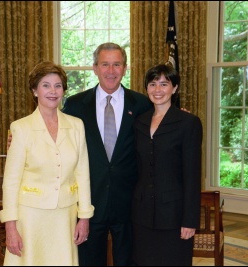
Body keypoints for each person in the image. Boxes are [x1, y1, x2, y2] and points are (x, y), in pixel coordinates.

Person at [62, 42, 152, 266]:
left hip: (129, 202)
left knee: (129, 261)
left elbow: (160, 135)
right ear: (94, 68)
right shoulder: (75, 105)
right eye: (105, 64)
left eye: (116, 64)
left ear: (125, 68)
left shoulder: (142, 104)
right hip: (88, 202)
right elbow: (57, 137)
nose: (111, 71)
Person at [0, 61, 94, 266]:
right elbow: (11, 182)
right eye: (46, 85)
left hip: (65, 217)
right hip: (30, 218)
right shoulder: (20, 128)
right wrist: (11, 227)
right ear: (34, 91)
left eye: (58, 85)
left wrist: (84, 217)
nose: (53, 91)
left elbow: (83, 174)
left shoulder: (76, 126)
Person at [131, 63, 202, 266]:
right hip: (141, 213)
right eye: (153, 84)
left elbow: (192, 175)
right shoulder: (139, 122)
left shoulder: (188, 123)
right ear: (146, 88)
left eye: (164, 84)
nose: (158, 90)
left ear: (175, 88)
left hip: (174, 215)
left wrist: (190, 220)